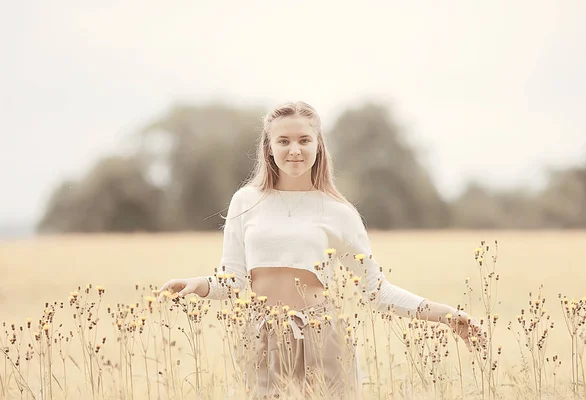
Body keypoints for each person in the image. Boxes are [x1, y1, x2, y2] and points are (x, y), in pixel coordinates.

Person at [159, 101, 481, 398]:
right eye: (283, 141)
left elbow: (378, 292)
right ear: (269, 148)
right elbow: (232, 281)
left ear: (318, 145)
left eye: (304, 140)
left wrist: (447, 316)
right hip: (262, 341)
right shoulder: (246, 201)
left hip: (322, 340)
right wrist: (198, 285)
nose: (294, 149)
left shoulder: (338, 212)